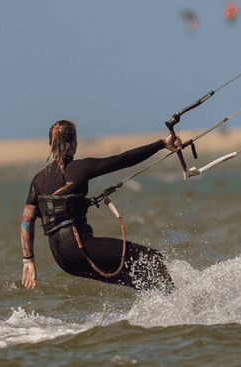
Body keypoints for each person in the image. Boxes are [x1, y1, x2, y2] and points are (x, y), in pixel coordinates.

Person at [20, 119, 180, 294]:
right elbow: (123, 160)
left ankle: (158, 312)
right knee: (152, 258)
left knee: (138, 278)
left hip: (63, 259)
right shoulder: (80, 168)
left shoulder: (38, 180)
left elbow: (26, 220)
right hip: (81, 248)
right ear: (74, 143)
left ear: (50, 144)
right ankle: (179, 306)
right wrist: (162, 144)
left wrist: (28, 260)